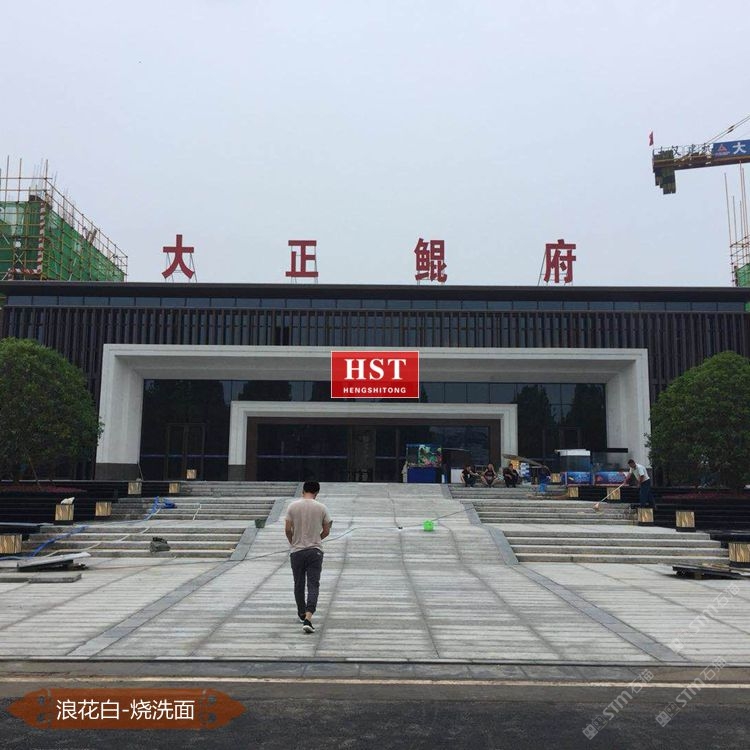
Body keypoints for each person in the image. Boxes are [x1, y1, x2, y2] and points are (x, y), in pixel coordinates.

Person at [285, 480, 333, 634]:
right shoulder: (322, 507)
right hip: (315, 551)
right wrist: (317, 538)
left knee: (298, 583)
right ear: (317, 493)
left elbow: (287, 529)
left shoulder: (292, 506)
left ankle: (301, 613)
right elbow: (327, 530)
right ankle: (309, 616)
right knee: (313, 584)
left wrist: (293, 542)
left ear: (303, 490)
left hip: (297, 551)